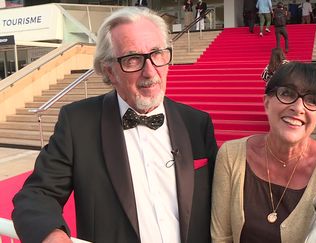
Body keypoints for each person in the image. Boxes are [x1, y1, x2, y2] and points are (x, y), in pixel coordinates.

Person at [12, 7, 218, 243]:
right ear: (109, 71)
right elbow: (36, 194)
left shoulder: (197, 123)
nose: (150, 72)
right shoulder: (78, 123)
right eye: (133, 59)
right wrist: (52, 234)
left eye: (157, 54)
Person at [211, 62, 316, 243]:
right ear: (266, 103)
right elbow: (221, 237)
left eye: (312, 100)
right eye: (287, 93)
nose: (299, 108)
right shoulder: (231, 155)